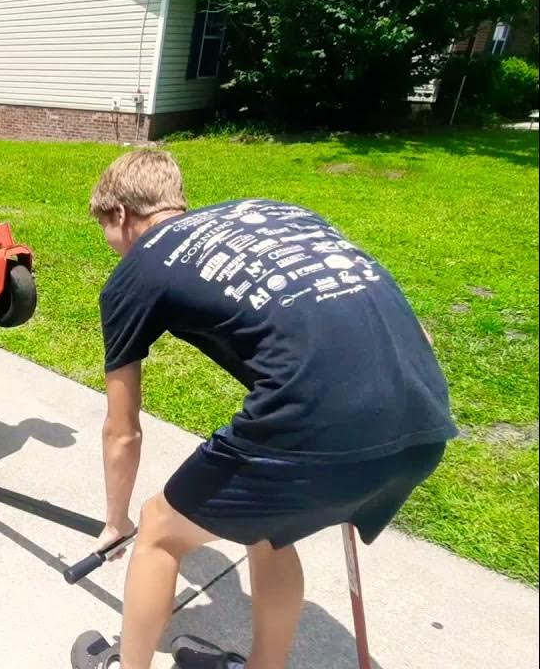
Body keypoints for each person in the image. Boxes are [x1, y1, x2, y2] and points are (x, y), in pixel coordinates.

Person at [69, 150, 457, 669]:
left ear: (118, 214)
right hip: (424, 417)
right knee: (268, 530)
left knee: (158, 531)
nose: (114, 248)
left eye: (108, 232)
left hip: (319, 426)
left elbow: (123, 432)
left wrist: (115, 522)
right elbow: (404, 322)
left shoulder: (136, 271)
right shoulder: (273, 212)